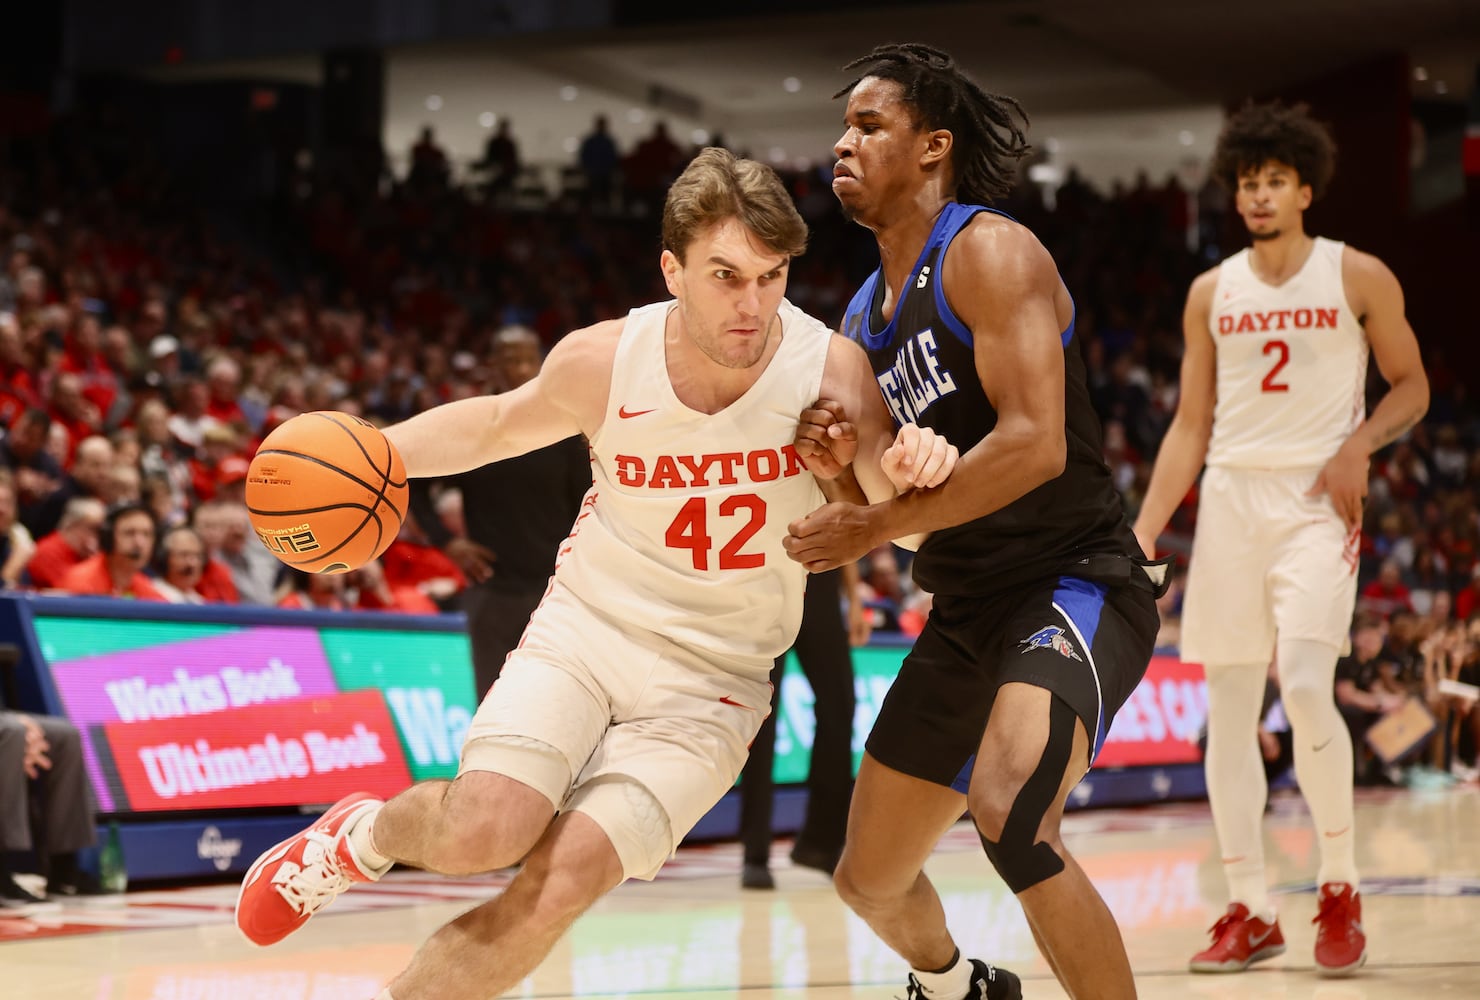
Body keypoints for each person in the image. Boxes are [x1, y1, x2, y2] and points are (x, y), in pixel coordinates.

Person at [233, 147, 977, 1000]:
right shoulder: (604, 359)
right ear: (673, 270)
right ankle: (356, 839)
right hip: (586, 633)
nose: (753, 304)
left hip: (716, 680)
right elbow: (495, 426)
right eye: (726, 275)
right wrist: (374, 455)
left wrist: (916, 473)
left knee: (559, 883)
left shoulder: (832, 371)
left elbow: (905, 527)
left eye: (772, 277)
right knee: (485, 831)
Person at [784, 44, 1166, 1000]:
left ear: (932, 147)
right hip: (964, 610)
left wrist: (866, 529)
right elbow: (896, 519)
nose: (844, 141)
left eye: (870, 125)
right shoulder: (861, 323)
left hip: (1072, 579)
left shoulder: (989, 251)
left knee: (1012, 813)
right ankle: (964, 987)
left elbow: (1036, 443)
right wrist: (838, 479)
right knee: (866, 877)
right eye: (845, 126)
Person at [1131, 100, 1429, 977]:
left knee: (1303, 685)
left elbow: (1409, 386)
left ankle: (1339, 884)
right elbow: (1190, 424)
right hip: (1229, 500)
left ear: (1305, 189)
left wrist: (1358, 446)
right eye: (1245, 184)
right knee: (1227, 709)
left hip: (1314, 503)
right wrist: (1144, 528)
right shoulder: (1209, 292)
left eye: (1272, 182)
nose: (1257, 197)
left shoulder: (1358, 275)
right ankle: (1250, 908)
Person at [406, 326, 591, 694]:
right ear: (492, 365)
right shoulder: (474, 425)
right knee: (492, 705)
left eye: (527, 359)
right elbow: (416, 488)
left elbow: (589, 501)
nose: (521, 368)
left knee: (560, 703)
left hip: (556, 591)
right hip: (490, 589)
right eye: (510, 359)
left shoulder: (565, 428)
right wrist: (447, 542)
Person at [737, 562, 865, 889]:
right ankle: (755, 854)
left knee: (840, 704)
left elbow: (844, 514)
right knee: (761, 717)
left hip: (820, 577)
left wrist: (853, 599)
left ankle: (820, 845)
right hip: (766, 579)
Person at [57, 501, 166, 601]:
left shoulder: (146, 589)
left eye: (147, 534)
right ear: (107, 538)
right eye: (129, 533)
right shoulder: (80, 583)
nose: (140, 543)